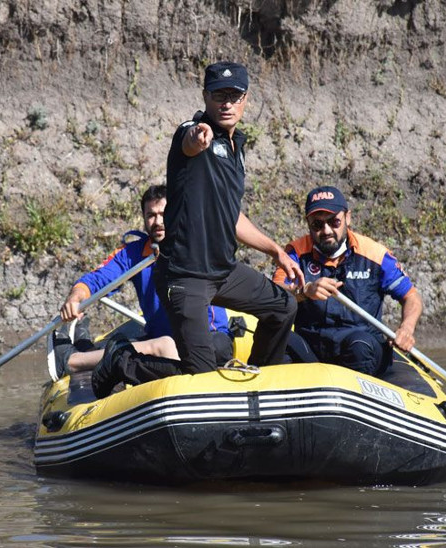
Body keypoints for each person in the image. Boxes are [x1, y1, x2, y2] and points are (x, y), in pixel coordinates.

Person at [91, 61, 302, 398]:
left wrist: (276, 251)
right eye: (220, 95)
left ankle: (254, 382)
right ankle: (122, 361)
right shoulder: (193, 130)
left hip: (223, 271)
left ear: (246, 99)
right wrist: (196, 138)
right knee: (200, 376)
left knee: (283, 306)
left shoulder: (237, 148)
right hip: (184, 276)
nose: (227, 103)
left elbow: (233, 217)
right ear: (205, 96)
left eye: (235, 96)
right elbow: (190, 140)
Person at [51, 184, 233, 380]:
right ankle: (85, 346)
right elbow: (98, 279)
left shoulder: (197, 246)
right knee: (148, 344)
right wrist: (76, 296)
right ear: (144, 219)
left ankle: (72, 361)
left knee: (163, 345)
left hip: (210, 339)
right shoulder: (135, 253)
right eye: (151, 215)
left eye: (163, 214)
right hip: (160, 338)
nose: (158, 221)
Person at [272, 185, 423, 377]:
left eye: (334, 222)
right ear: (308, 223)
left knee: (360, 347)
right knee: (279, 342)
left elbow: (411, 296)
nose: (326, 230)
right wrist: (304, 292)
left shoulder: (375, 255)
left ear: (347, 218)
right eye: (317, 225)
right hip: (313, 345)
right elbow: (276, 292)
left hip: (359, 343)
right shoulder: (294, 254)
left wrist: (406, 328)